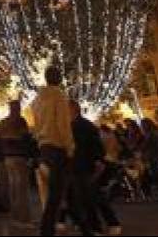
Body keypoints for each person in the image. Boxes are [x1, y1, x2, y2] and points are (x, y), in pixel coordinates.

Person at [31, 66, 78, 237]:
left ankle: (84, 226)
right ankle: (46, 228)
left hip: (44, 148)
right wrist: (70, 147)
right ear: (56, 78)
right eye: (59, 75)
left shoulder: (37, 100)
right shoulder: (58, 96)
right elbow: (63, 124)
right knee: (57, 194)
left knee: (60, 190)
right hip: (58, 148)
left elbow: (35, 127)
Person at [69, 101, 121, 236]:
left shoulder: (80, 126)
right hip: (83, 165)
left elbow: (93, 146)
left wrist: (98, 161)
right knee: (87, 196)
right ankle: (100, 224)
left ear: (73, 110)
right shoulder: (83, 125)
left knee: (90, 196)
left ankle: (101, 225)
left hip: (84, 165)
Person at [0, 99, 34, 227]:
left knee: (13, 188)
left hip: (7, 158)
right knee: (22, 189)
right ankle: (23, 219)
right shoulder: (20, 121)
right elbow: (26, 138)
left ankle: (15, 217)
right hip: (19, 157)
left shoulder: (3, 122)